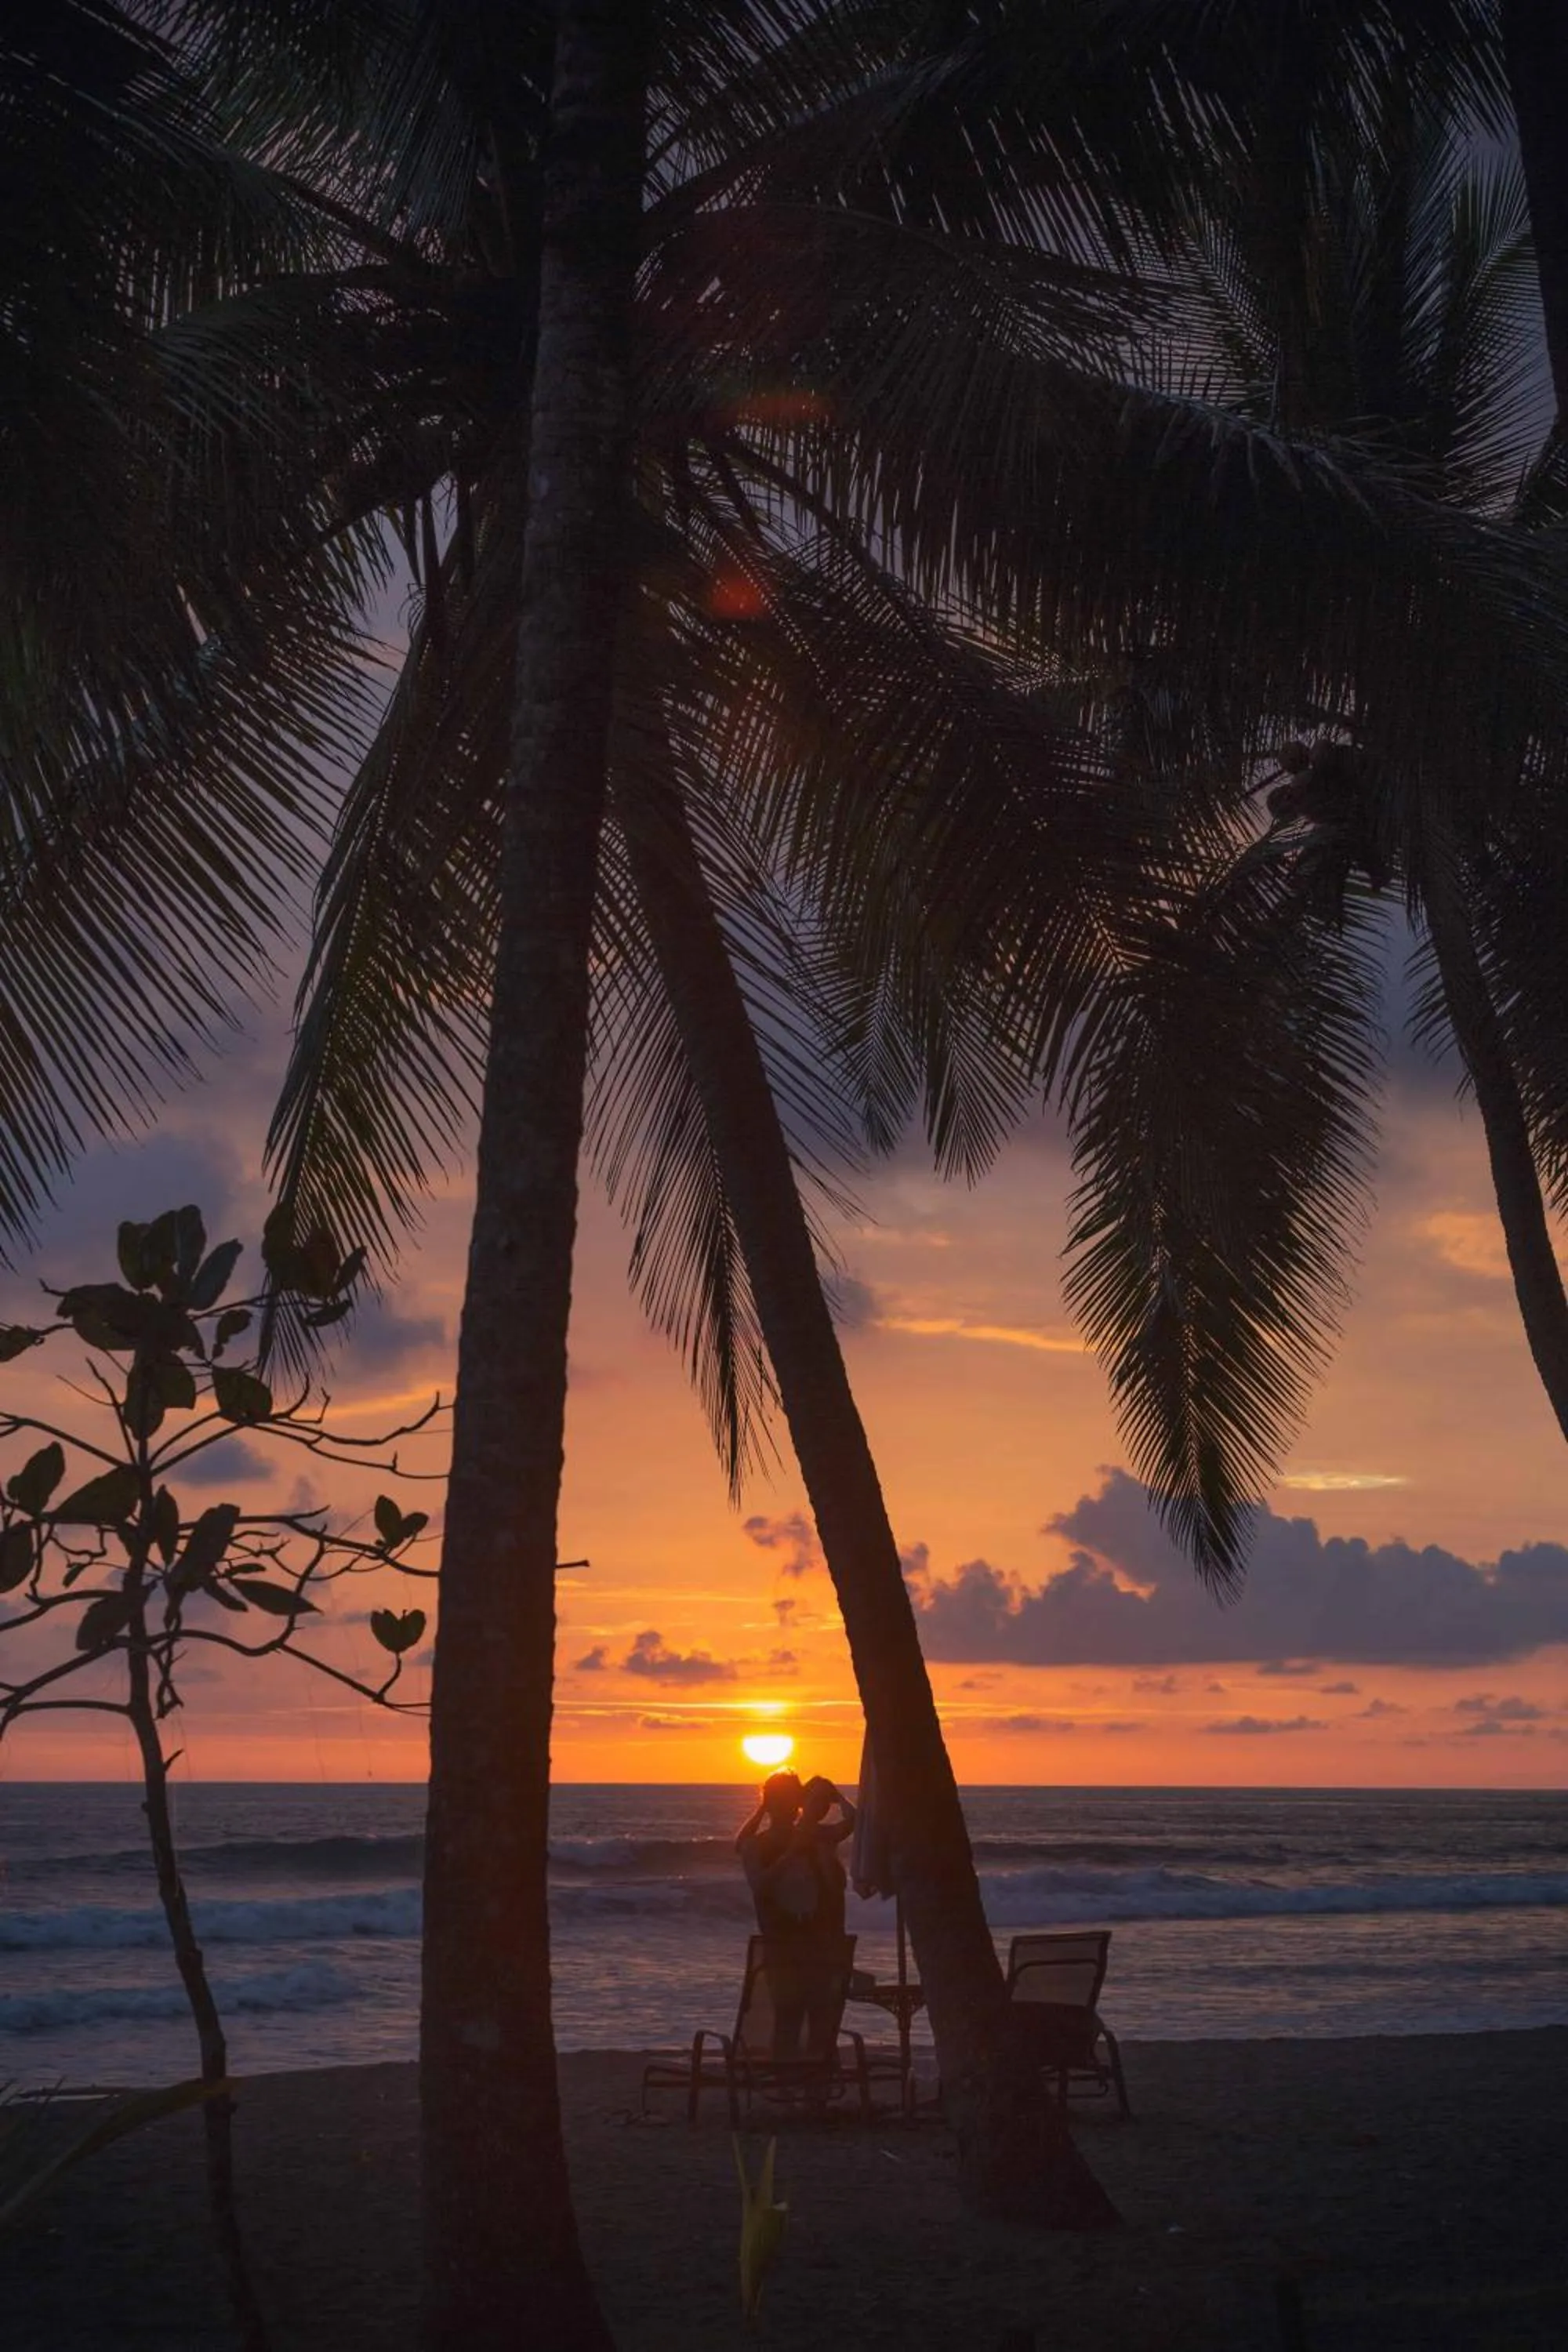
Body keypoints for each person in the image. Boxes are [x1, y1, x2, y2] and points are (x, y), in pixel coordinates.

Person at [734, 1769, 855, 2060]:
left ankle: (813, 2077)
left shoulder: (816, 1837)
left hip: (818, 1945)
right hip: (783, 1944)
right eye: (781, 1801)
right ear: (771, 1804)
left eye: (792, 1800)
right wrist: (790, 1854)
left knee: (821, 2018)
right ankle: (788, 2076)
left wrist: (836, 1796)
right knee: (788, 2017)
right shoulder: (757, 1845)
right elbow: (760, 1885)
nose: (788, 1808)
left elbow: (854, 1821)